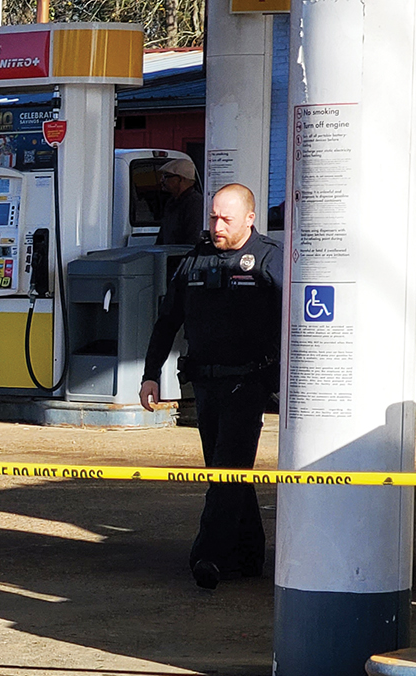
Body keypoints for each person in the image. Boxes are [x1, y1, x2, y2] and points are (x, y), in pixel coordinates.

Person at [140, 183, 281, 590]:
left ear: (250, 219)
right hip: (205, 384)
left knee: (226, 471)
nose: (217, 225)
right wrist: (150, 374)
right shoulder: (195, 259)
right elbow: (168, 321)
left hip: (247, 383)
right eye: (213, 217)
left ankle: (208, 556)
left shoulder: (271, 259)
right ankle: (249, 554)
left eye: (226, 219)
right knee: (229, 471)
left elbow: (296, 323)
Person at [156, 159, 205, 246]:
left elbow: (193, 238)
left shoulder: (195, 204)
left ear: (181, 179)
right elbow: (163, 235)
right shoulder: (171, 202)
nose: (161, 181)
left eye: (166, 176)